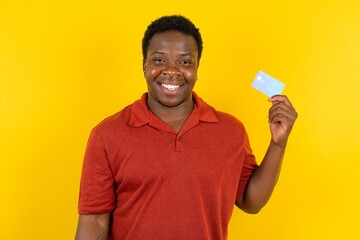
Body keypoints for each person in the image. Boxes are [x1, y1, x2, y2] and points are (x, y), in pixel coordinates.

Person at [75, 15, 298, 240]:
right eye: (159, 60)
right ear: (144, 65)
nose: (172, 71)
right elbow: (94, 223)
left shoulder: (230, 131)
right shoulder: (107, 135)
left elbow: (251, 201)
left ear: (197, 67)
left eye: (185, 61)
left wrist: (278, 143)